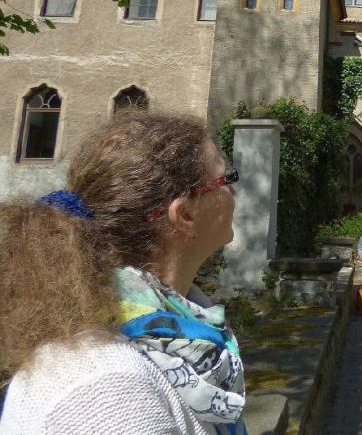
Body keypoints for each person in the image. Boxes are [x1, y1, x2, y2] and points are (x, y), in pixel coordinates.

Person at [0, 112, 246, 434]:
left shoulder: (180, 326)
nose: (234, 191)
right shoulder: (105, 386)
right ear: (185, 214)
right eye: (225, 180)